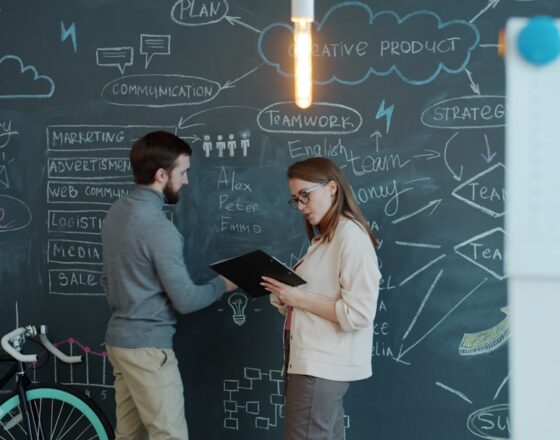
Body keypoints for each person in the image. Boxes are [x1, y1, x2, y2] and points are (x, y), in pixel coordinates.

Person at [101, 130, 236, 440]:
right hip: (148, 349)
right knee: (169, 434)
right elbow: (185, 300)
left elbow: (107, 280)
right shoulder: (159, 229)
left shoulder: (116, 214)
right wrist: (224, 284)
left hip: (119, 342)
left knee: (129, 435)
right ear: (162, 175)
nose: (186, 181)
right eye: (182, 172)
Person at [261, 157, 381, 440]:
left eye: (305, 195)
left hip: (320, 366)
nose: (301, 206)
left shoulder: (350, 237)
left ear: (332, 188)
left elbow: (359, 313)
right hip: (311, 362)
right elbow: (315, 298)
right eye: (296, 199)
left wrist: (297, 297)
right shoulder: (327, 239)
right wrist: (285, 295)